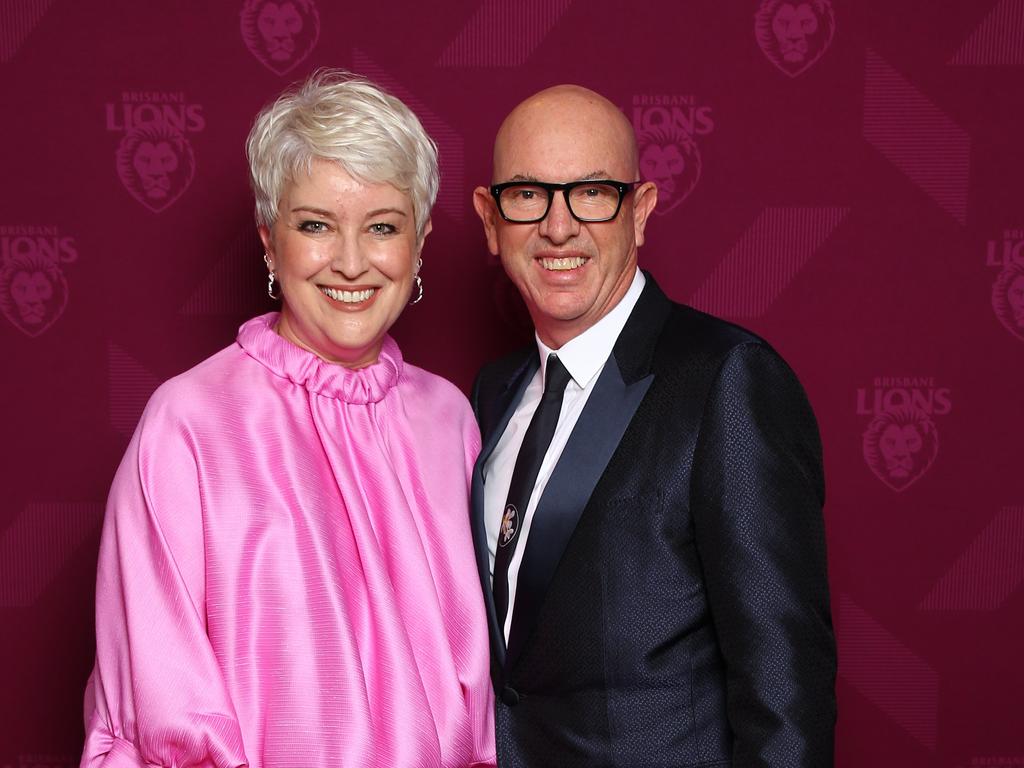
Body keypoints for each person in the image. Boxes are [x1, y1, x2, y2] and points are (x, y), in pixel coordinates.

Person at [81, 70, 495, 768]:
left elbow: (480, 699)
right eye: (316, 226)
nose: (353, 261)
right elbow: (159, 714)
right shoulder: (188, 425)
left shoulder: (451, 420)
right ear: (270, 242)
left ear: (419, 243)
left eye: (383, 227)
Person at [470, 84, 836, 766]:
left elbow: (786, 694)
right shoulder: (491, 395)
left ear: (639, 212)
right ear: (490, 221)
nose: (558, 226)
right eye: (528, 194)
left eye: (593, 192)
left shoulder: (727, 382)